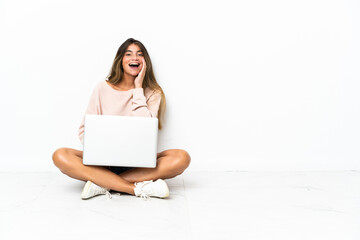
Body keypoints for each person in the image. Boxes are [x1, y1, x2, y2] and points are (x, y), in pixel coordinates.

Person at [52, 38, 191, 200]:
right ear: (120, 60)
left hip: (139, 163)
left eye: (140, 54)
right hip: (103, 162)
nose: (135, 58)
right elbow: (85, 131)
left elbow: (145, 130)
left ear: (145, 62)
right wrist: (105, 149)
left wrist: (138, 89)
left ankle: (102, 183)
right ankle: (134, 188)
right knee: (60, 155)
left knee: (182, 157)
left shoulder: (153, 93)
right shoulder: (102, 88)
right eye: (129, 54)